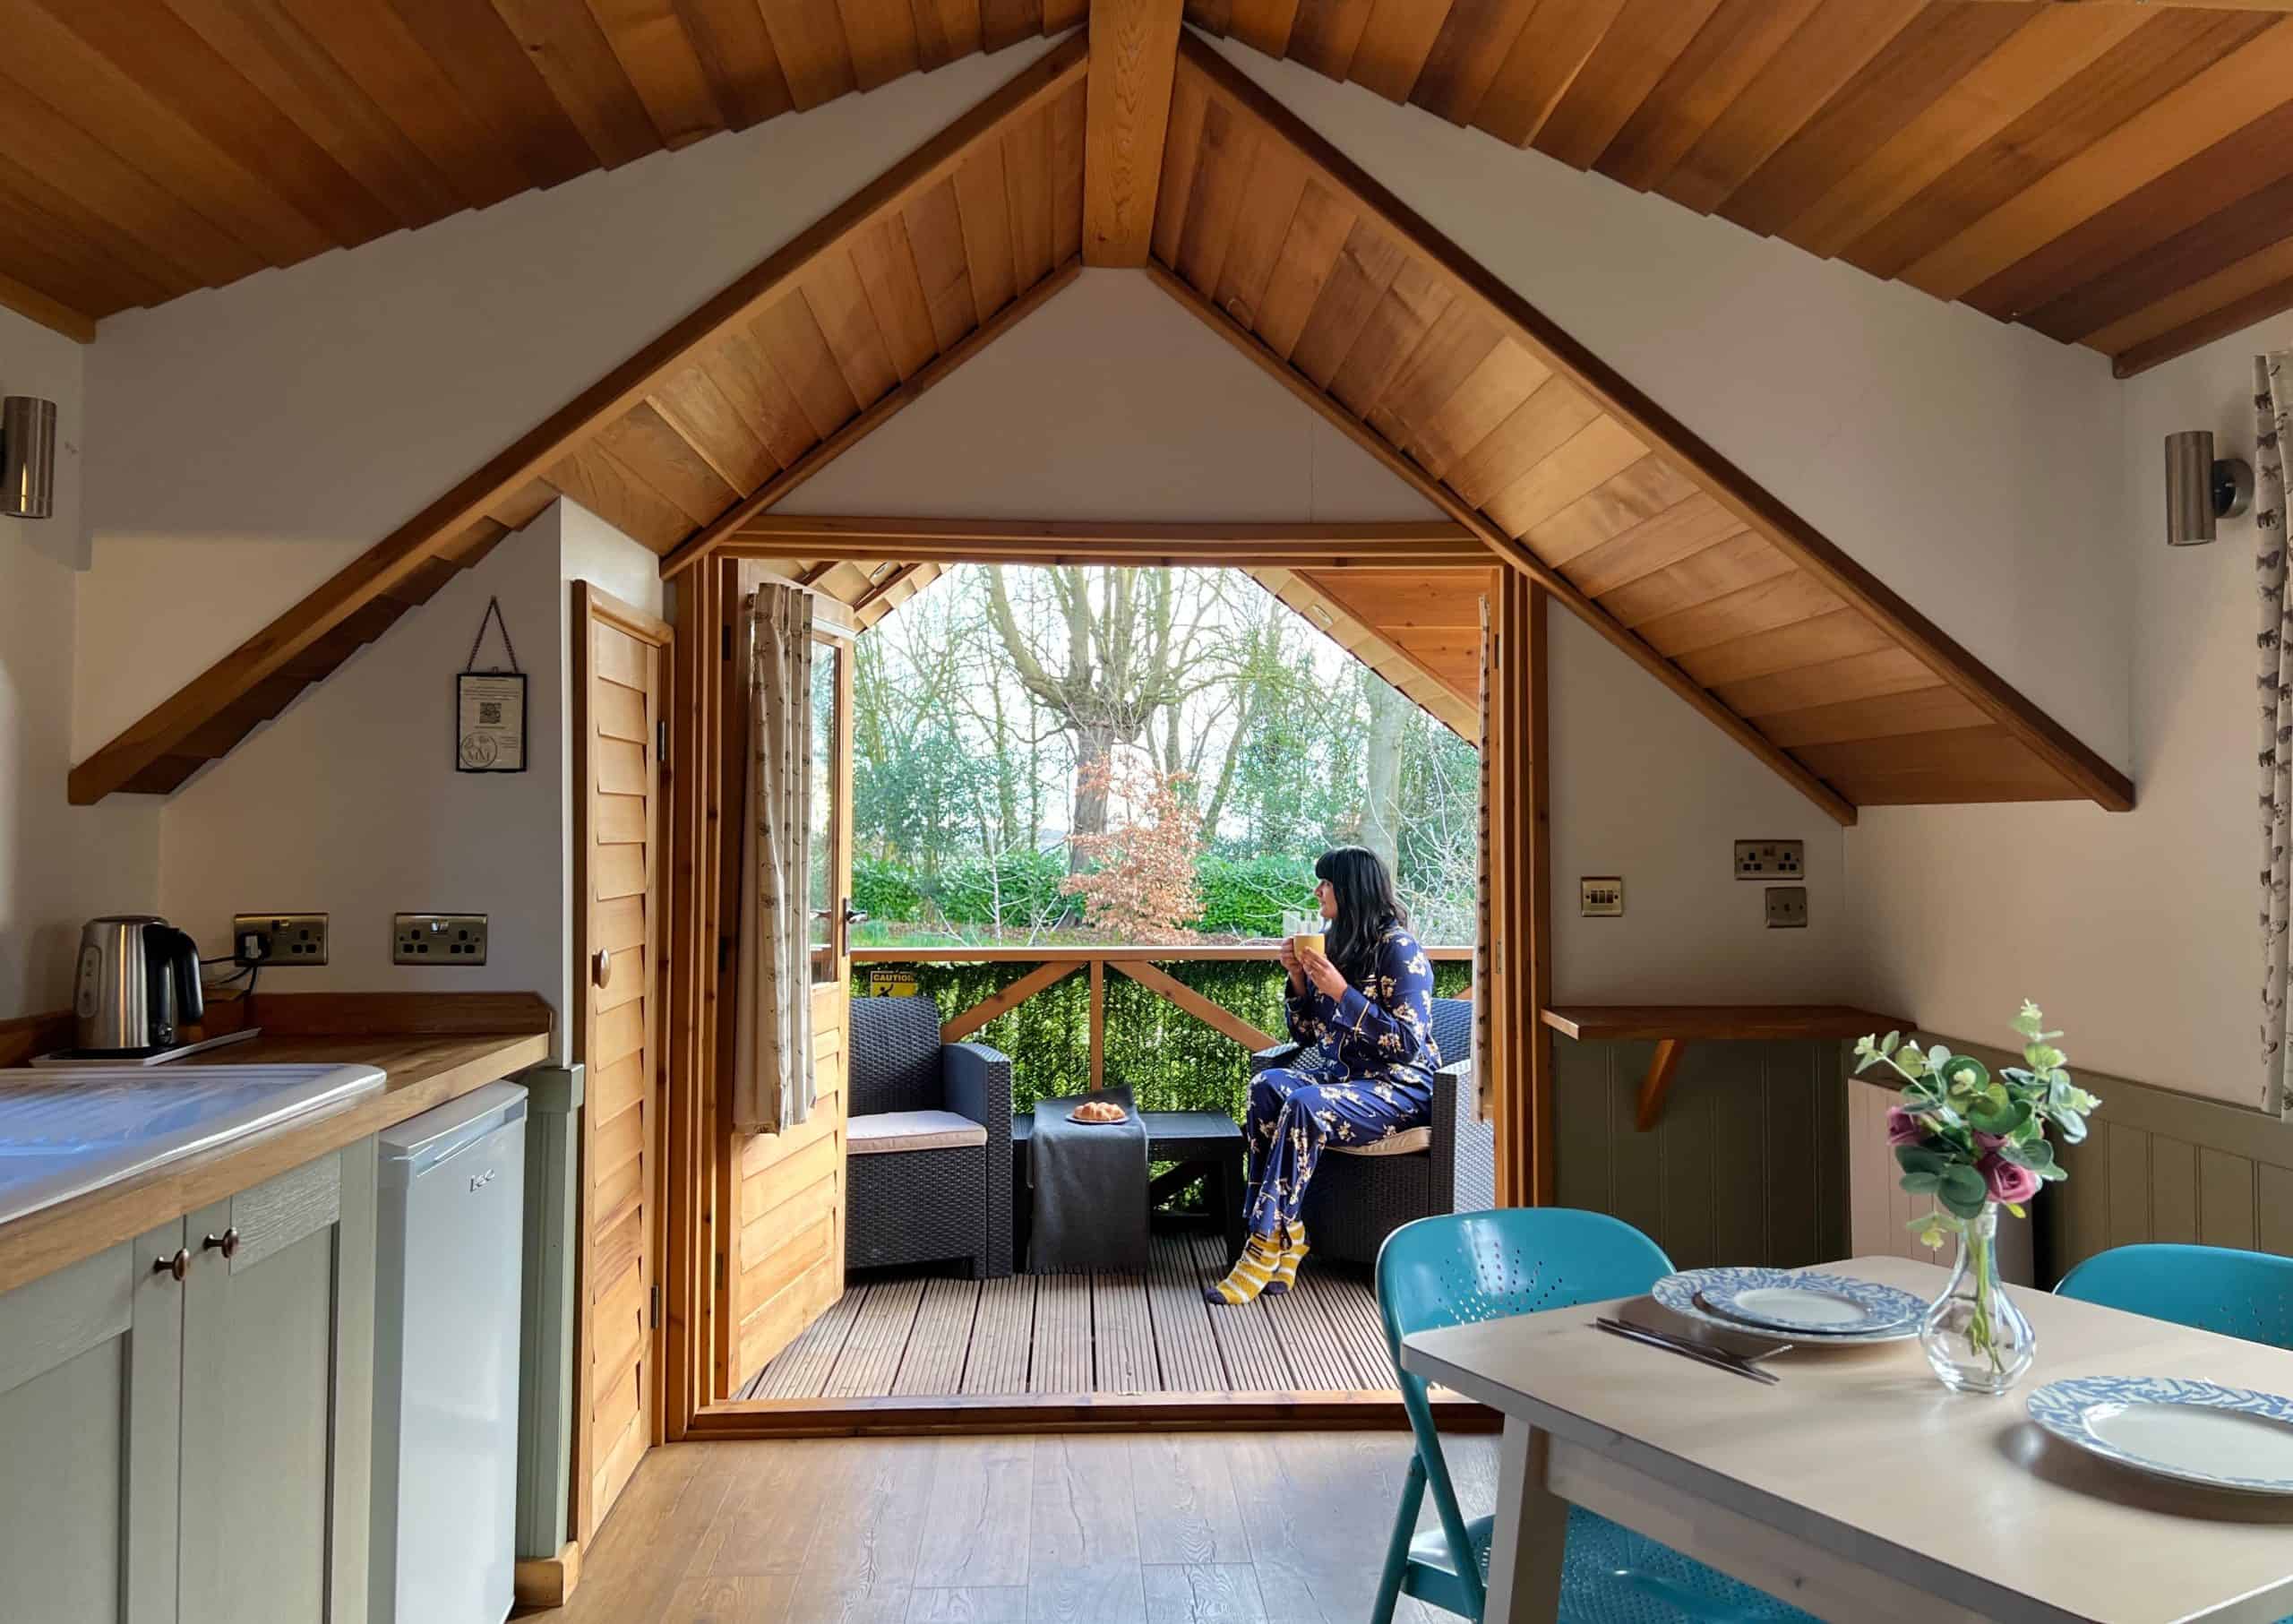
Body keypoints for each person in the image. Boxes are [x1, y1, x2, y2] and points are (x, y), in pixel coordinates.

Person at [1206, 846, 1438, 1306]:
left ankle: (1262, 1242)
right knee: (1268, 1087)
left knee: (1306, 1103)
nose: (1318, 891)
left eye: (1326, 883)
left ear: (1351, 889)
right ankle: (1290, 1233)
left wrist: (1341, 991)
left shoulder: (1399, 950)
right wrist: (1298, 980)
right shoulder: (1339, 946)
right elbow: (1310, 1034)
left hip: (1400, 1087)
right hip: (1345, 1081)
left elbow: (1408, 1043)